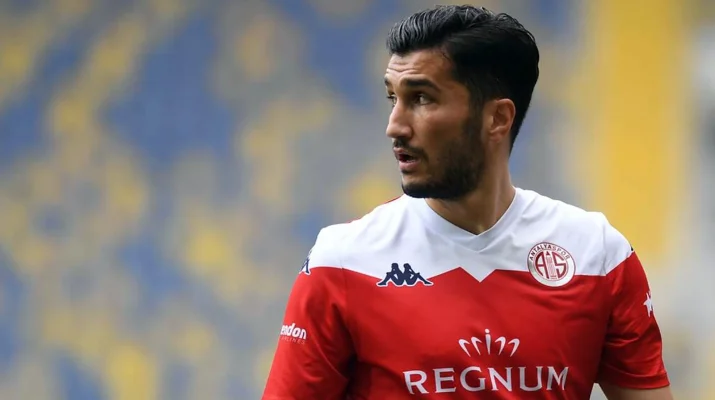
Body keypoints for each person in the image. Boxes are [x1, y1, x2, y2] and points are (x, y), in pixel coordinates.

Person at [262, 5, 672, 399]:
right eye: (393, 99)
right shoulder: (342, 262)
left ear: (497, 119)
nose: (395, 126)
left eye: (421, 99)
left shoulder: (597, 256)